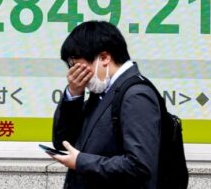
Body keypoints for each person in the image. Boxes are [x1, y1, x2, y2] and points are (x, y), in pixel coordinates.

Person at [49, 20, 161, 188]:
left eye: (76, 66)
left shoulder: (136, 95)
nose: (73, 73)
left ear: (104, 58)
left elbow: (140, 165)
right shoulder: (103, 90)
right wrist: (74, 94)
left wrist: (81, 161)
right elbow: (63, 143)